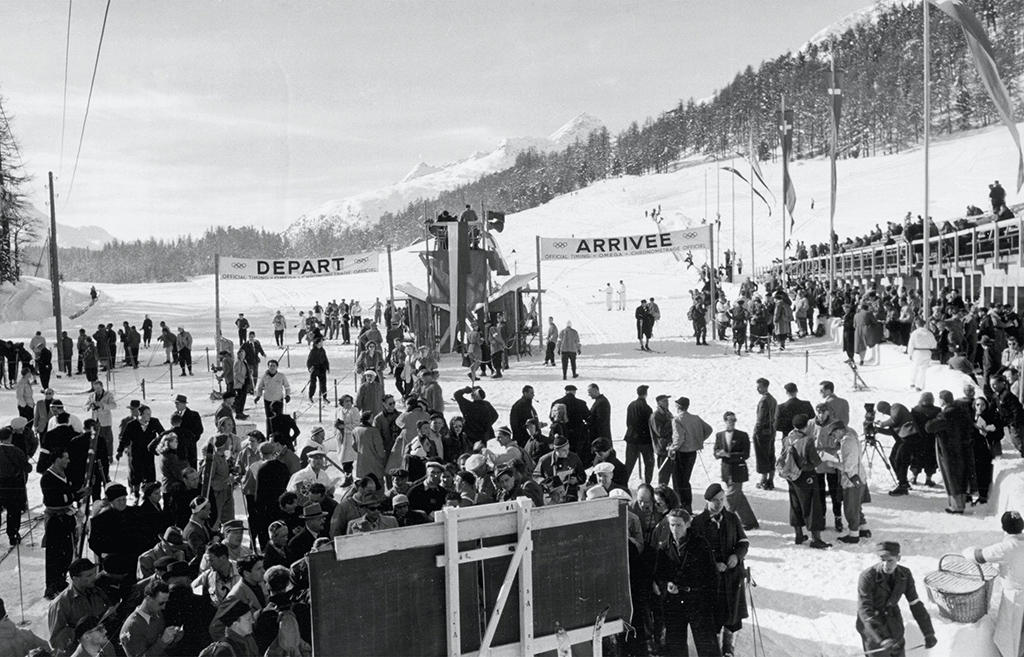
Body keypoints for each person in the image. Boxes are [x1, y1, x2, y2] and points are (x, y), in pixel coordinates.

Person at [652, 508, 722, 657]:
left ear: (687, 524)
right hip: (675, 604)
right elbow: (659, 576)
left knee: (707, 646)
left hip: (698, 602)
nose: (675, 529)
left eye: (679, 525)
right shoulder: (664, 548)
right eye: (672, 525)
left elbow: (713, 576)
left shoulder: (700, 544)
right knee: (676, 647)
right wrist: (667, 586)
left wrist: (710, 602)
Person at [691, 484, 749, 657]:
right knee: (713, 615)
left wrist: (736, 556)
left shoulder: (732, 518)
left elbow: (743, 542)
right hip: (710, 579)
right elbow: (694, 551)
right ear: (707, 501)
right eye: (715, 501)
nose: (719, 504)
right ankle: (713, 647)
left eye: (722, 500)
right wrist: (713, 564)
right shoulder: (698, 522)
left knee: (731, 614)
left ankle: (728, 646)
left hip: (731, 576)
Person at [856, 541, 937, 657]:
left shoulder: (905, 574)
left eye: (890, 560)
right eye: (882, 560)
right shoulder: (867, 577)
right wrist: (882, 638)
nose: (886, 565)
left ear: (898, 558)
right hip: (873, 628)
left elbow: (915, 604)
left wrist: (928, 632)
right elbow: (864, 609)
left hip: (894, 624)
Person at [963, 511, 1024, 657]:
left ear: (1004, 527)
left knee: (1011, 636)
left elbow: (978, 556)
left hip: (1015, 597)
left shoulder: (1007, 547)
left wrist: (967, 551)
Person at [779, 414, 830, 549]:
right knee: (812, 506)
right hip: (806, 476)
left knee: (795, 503)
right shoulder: (807, 441)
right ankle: (815, 538)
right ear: (806, 426)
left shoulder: (787, 438)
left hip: (791, 476)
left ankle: (798, 534)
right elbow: (815, 461)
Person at [47, 558, 111, 655]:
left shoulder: (97, 591)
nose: (94, 577)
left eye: (94, 573)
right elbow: (56, 641)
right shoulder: (61, 603)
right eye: (89, 575)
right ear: (75, 578)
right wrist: (80, 632)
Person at [41, 447, 77, 599]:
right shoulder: (47, 478)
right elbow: (54, 500)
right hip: (55, 520)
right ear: (57, 460)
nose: (68, 460)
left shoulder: (64, 474)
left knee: (67, 552)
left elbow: (68, 494)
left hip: (67, 519)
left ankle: (62, 581)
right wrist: (72, 496)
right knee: (55, 555)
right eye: (66, 458)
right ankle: (52, 586)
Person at [713, 412, 757, 530]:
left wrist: (728, 455)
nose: (732, 422)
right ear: (725, 421)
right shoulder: (719, 435)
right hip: (726, 471)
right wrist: (718, 454)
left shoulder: (742, 435)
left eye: (734, 420)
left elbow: (745, 454)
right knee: (738, 497)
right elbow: (715, 451)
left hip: (738, 470)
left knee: (730, 498)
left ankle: (723, 523)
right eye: (729, 420)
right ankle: (750, 521)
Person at [669, 397, 713, 513]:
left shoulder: (677, 420)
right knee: (685, 480)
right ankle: (687, 507)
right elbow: (709, 429)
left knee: (678, 482)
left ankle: (680, 507)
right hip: (692, 453)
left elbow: (679, 438)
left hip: (681, 454)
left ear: (678, 407)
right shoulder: (696, 418)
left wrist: (672, 448)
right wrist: (698, 440)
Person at [119, 580, 184, 657]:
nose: (164, 607)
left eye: (166, 602)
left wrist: (172, 639)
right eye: (161, 603)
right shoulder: (132, 627)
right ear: (148, 599)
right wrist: (162, 642)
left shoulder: (157, 613)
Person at [0, 426, 30, 546]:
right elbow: (27, 468)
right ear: (10, 437)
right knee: (13, 510)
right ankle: (12, 535)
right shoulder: (17, 451)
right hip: (13, 484)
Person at [624, 385, 654, 484]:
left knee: (629, 464)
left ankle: (624, 482)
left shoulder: (631, 405)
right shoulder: (647, 408)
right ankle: (647, 484)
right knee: (649, 464)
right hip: (644, 440)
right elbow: (650, 425)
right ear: (646, 394)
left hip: (631, 438)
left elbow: (628, 422)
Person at [752, 378, 778, 490]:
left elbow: (760, 419)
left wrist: (756, 431)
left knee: (762, 456)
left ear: (764, 387)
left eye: (759, 386)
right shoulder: (773, 399)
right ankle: (770, 480)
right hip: (771, 430)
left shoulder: (764, 401)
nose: (757, 389)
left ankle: (764, 480)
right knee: (771, 455)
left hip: (763, 432)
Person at [254, 360, 291, 436]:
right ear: (268, 367)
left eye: (274, 366)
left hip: (278, 400)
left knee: (279, 418)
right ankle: (269, 435)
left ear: (277, 367)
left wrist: (287, 395)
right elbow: (260, 387)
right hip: (268, 400)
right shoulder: (265, 376)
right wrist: (258, 396)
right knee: (269, 419)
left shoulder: (281, 376)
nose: (272, 368)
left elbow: (287, 387)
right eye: (270, 366)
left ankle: (279, 435)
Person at [907, 319, 937, 391]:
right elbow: (934, 344)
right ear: (924, 324)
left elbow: (911, 344)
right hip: (926, 352)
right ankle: (919, 386)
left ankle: (912, 383)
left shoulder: (914, 333)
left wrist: (910, 353)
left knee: (915, 367)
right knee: (923, 369)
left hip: (917, 352)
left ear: (917, 324)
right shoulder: (929, 333)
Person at [306, 338, 330, 403]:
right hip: (314, 369)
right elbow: (309, 361)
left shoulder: (322, 350)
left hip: (322, 369)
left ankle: (324, 397)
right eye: (321, 342)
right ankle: (310, 396)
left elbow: (325, 359)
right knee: (313, 384)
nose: (322, 343)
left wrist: (327, 367)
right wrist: (310, 368)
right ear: (317, 343)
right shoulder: (313, 351)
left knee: (323, 384)